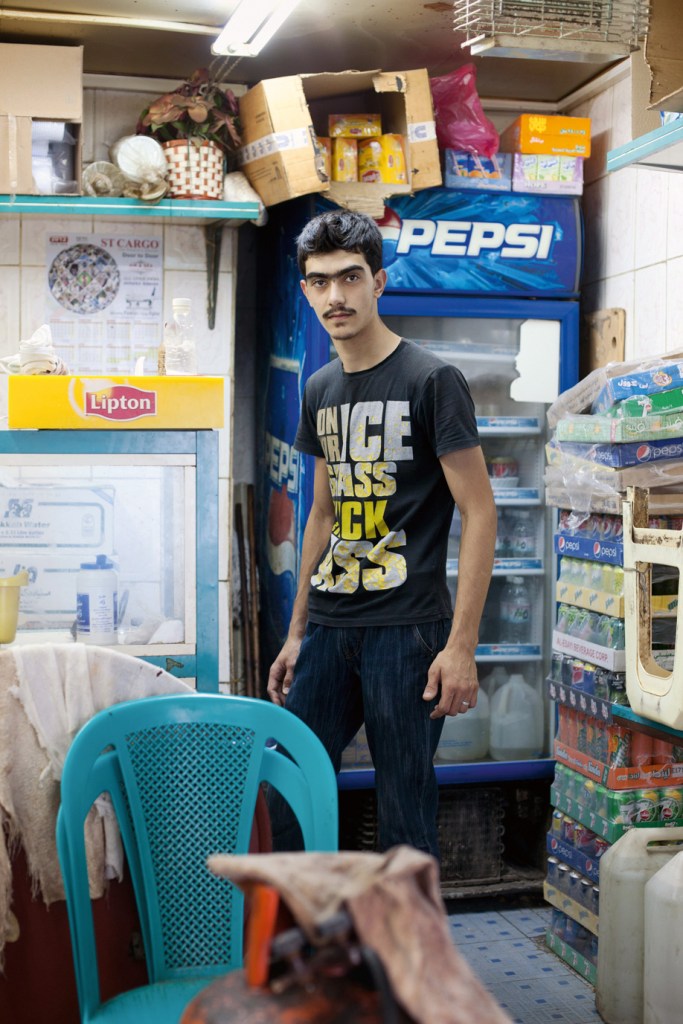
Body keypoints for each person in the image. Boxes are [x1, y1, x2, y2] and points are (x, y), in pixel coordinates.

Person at [267, 209, 497, 859]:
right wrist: (296, 631)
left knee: (404, 812)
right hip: (330, 625)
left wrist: (461, 646)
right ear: (306, 290)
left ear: (378, 282)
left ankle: (405, 931)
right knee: (283, 793)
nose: (334, 296)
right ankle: (304, 921)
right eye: (319, 282)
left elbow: (480, 511)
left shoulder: (431, 380)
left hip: (408, 629)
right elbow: (321, 514)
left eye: (349, 277)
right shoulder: (319, 388)